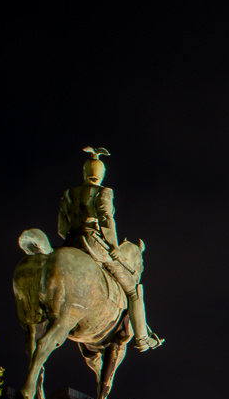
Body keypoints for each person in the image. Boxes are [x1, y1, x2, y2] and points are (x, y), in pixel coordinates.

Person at [57, 147, 165, 351]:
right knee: (133, 291)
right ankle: (142, 338)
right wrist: (113, 246)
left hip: (71, 242)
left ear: (84, 172)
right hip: (94, 244)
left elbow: (62, 229)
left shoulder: (69, 193)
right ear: (101, 174)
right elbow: (107, 219)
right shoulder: (103, 192)